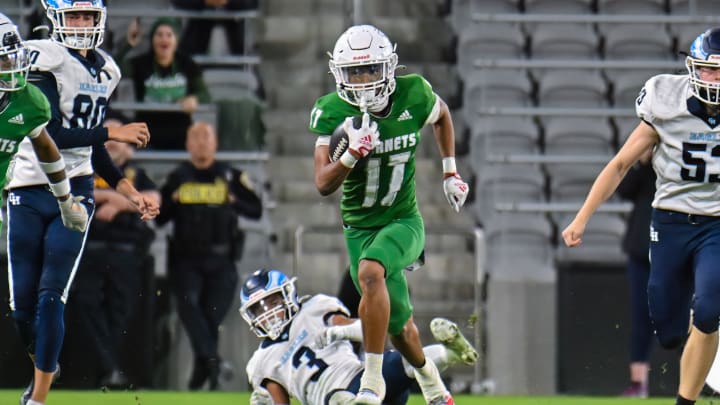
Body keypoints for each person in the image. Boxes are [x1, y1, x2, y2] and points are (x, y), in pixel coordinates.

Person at [310, 24, 472, 405]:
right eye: (354, 73)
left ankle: (372, 381)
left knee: (369, 272)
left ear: (388, 67)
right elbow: (322, 184)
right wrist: (350, 155)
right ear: (339, 74)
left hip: (403, 221)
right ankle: (434, 387)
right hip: (359, 228)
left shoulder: (414, 92)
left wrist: (450, 170)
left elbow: (442, 114)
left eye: (370, 70)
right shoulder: (332, 110)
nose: (363, 81)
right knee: (401, 329)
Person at [10, 1, 160, 404]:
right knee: (21, 310)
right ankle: (46, 362)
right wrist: (114, 131)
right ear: (56, 19)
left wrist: (126, 189)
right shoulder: (44, 57)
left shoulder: (107, 69)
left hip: (75, 191)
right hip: (27, 186)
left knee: (51, 294)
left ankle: (37, 397)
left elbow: (92, 148)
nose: (80, 24)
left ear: (100, 20)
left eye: (87, 16)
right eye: (73, 16)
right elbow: (50, 134)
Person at [561, 27, 720, 405]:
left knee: (710, 308)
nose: (715, 79)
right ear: (691, 69)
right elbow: (619, 165)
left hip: (716, 223)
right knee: (667, 330)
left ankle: (687, 400)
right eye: (709, 70)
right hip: (671, 222)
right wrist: (581, 218)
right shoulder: (666, 99)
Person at [239, 268, 478, 405]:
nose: (267, 313)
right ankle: (447, 354)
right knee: (338, 400)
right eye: (258, 308)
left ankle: (450, 352)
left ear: (287, 295)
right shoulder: (261, 362)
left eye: (272, 302)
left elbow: (368, 328)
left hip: (365, 381)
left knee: (400, 359)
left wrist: (338, 331)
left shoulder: (313, 309)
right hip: (331, 398)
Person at [155, 121, 262, 390]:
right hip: (185, 260)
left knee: (211, 316)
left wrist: (234, 200)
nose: (201, 142)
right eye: (196, 137)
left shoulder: (230, 176)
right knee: (190, 308)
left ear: (215, 143)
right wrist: (174, 198)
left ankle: (204, 368)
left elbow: (256, 210)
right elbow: (159, 218)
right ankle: (212, 364)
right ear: (188, 145)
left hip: (222, 259)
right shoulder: (178, 177)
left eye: (206, 137)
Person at [68, 116, 161, 389]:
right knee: (87, 306)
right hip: (89, 249)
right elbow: (66, 194)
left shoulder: (136, 174)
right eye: (106, 139)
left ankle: (109, 370)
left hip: (125, 251)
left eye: (115, 139)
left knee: (121, 311)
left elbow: (154, 202)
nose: (110, 144)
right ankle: (110, 369)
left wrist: (117, 203)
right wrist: (114, 198)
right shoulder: (83, 168)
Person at [124, 17, 211, 150]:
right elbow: (113, 69)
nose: (164, 39)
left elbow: (205, 95)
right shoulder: (140, 63)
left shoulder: (188, 64)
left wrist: (195, 98)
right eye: (159, 35)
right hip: (147, 131)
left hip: (180, 131)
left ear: (176, 41)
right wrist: (128, 45)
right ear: (152, 40)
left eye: (169, 35)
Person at [617, 147, 656, 398]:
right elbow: (624, 191)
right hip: (642, 251)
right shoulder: (646, 172)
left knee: (686, 318)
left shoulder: (681, 169)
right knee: (641, 317)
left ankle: (694, 380)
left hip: (677, 251)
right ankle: (638, 382)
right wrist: (641, 163)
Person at [170, 0, 257, 56]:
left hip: (237, 43)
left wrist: (227, 2)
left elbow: (252, 3)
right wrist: (204, 2)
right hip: (196, 40)